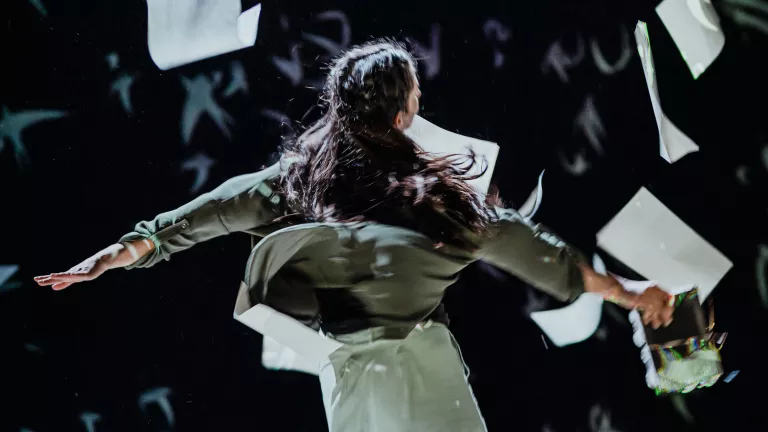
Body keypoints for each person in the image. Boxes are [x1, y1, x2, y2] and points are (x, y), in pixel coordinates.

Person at [34, 39, 674, 432]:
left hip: (350, 373)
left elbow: (199, 217)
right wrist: (631, 292)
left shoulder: (293, 184)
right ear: (402, 116)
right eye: (418, 97)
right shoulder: (439, 202)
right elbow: (540, 256)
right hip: (421, 365)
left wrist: (116, 255)